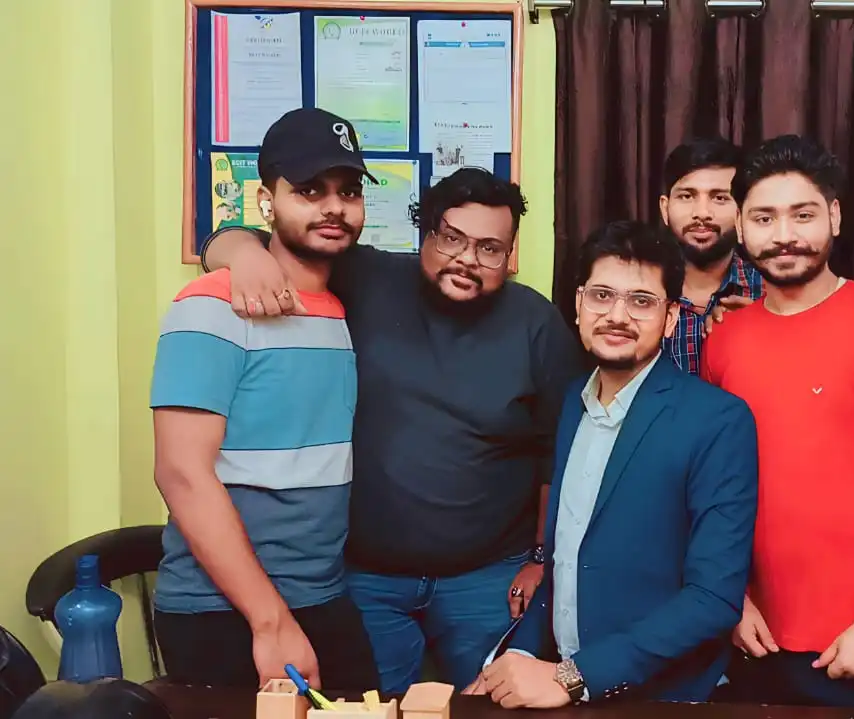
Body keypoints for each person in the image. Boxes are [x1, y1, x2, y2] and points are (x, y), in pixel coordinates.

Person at [198, 167, 583, 693]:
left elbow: (558, 454)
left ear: (509, 255)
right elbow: (231, 242)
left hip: (487, 579)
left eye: (489, 248)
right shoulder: (368, 277)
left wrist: (541, 559)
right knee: (371, 707)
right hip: (366, 578)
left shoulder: (536, 323)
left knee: (494, 706)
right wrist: (245, 256)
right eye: (452, 239)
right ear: (426, 233)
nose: (467, 259)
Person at [464, 221, 760, 708]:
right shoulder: (571, 404)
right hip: (564, 686)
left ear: (670, 317)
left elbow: (713, 599)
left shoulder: (716, 420)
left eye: (641, 301)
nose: (617, 316)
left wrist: (571, 677)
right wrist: (512, 660)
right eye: (602, 296)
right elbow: (565, 567)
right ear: (578, 304)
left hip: (662, 698)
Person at [149, 108, 378, 690]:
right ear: (266, 201)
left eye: (348, 191)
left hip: (320, 594)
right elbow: (180, 474)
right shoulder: (212, 304)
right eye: (309, 191)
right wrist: (268, 621)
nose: (333, 207)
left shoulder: (339, 307)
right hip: (224, 609)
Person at [701, 135, 854, 710]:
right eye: (763, 218)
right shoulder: (725, 339)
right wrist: (730, 600)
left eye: (802, 215)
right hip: (754, 635)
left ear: (835, 216)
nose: (783, 235)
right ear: (740, 226)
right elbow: (710, 489)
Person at [657, 138, 765, 375]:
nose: (702, 213)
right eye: (687, 196)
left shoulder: (770, 294)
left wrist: (768, 330)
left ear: (742, 211)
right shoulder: (639, 294)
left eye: (720, 198)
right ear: (665, 209)